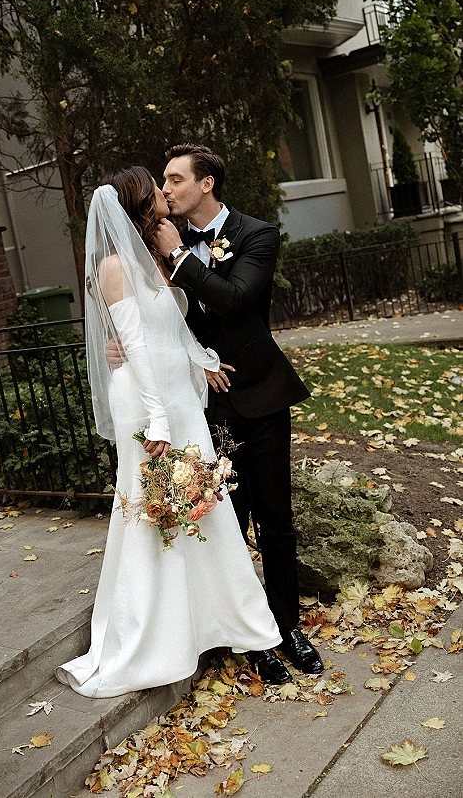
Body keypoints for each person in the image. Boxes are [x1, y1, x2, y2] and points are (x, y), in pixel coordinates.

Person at [56, 166, 283, 698]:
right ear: (141, 204)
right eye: (158, 189)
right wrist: (157, 419)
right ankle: (155, 635)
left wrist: (202, 358)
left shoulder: (155, 260)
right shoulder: (115, 268)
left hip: (178, 398)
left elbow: (171, 329)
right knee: (156, 513)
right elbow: (133, 348)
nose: (166, 193)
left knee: (204, 507)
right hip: (148, 403)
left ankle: (220, 623)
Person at [153, 143, 323, 682]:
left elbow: (237, 297)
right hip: (206, 405)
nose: (167, 189)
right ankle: (253, 635)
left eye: (176, 179)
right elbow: (154, 318)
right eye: (163, 180)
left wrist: (182, 258)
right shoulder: (158, 245)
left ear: (206, 184)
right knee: (230, 519)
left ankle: (288, 624)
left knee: (276, 518)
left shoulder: (257, 234)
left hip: (263, 394)